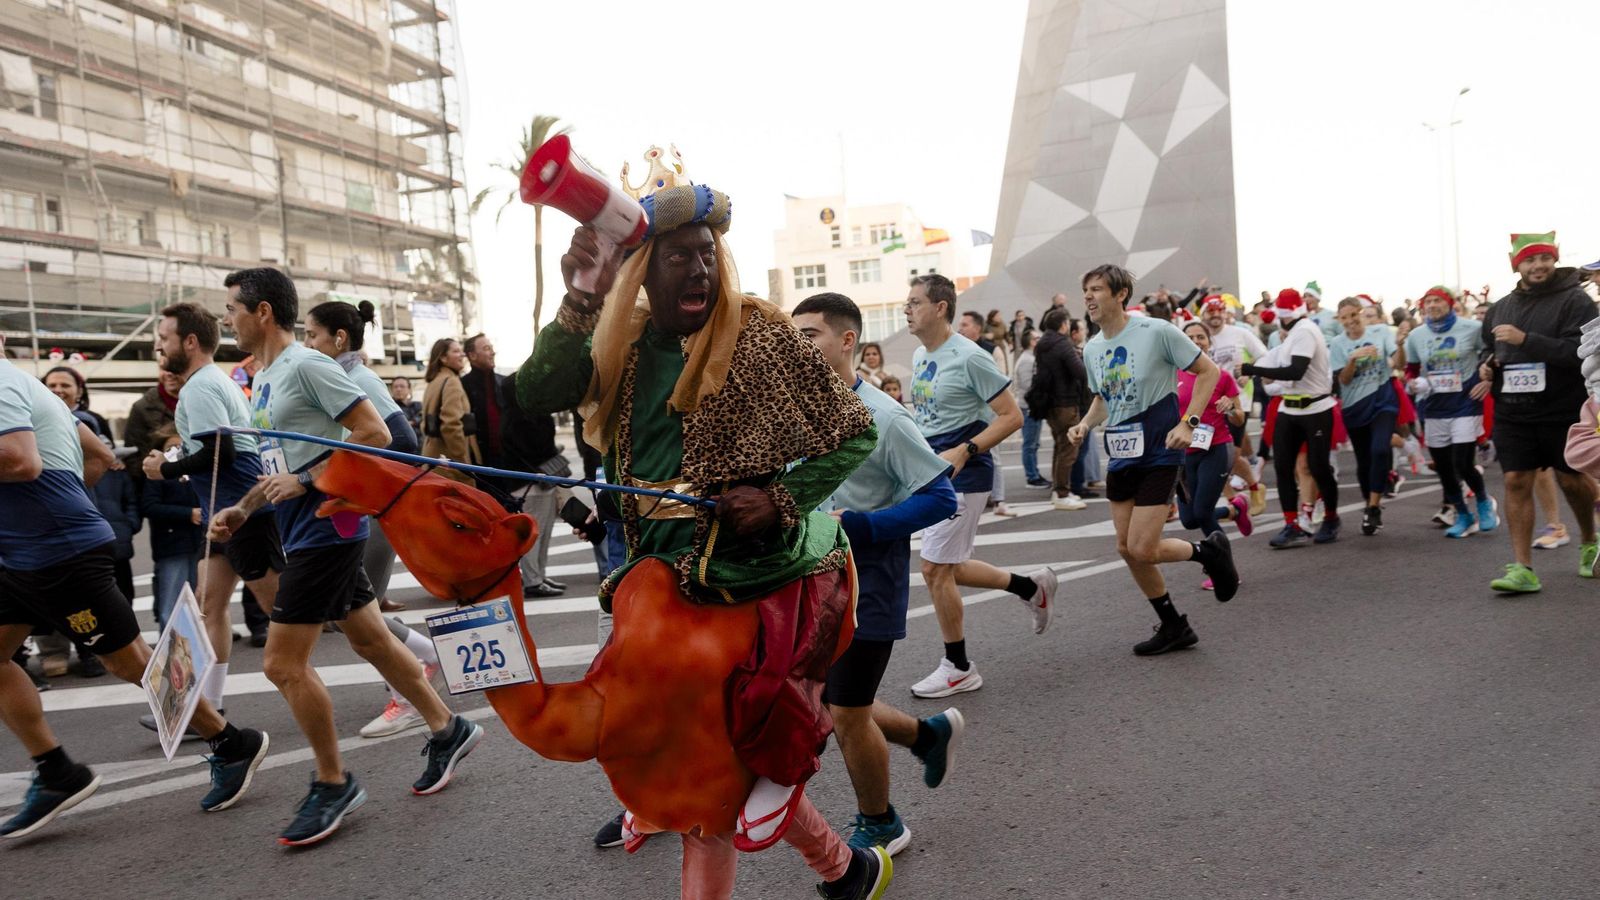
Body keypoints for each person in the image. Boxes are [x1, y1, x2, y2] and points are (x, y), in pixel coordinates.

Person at [519, 173, 891, 898]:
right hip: (650, 584)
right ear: (644, 271)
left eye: (706, 253)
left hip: (751, 580)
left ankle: (739, 811)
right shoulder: (618, 344)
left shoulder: (761, 334)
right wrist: (581, 294)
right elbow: (534, 396)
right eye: (678, 255)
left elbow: (854, 435)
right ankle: (845, 870)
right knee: (707, 767)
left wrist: (778, 497)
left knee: (710, 783)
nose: (698, 268)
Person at [207, 267, 482, 847]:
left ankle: (333, 783)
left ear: (261, 312)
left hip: (331, 526)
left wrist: (308, 484)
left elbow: (376, 432)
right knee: (370, 638)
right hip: (303, 526)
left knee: (282, 664)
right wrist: (245, 507)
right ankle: (447, 725)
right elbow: (283, 462)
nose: (225, 319)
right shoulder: (264, 378)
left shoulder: (307, 365)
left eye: (230, 307)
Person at [0, 340, 268, 839]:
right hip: (21, 557)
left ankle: (232, 742)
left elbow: (21, 462)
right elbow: (99, 452)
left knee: (130, 661)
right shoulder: (26, 386)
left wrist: (58, 513)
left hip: (60, 557)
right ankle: (56, 770)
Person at [794, 292, 963, 858]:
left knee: (843, 712)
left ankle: (882, 821)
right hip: (810, 583)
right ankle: (926, 734)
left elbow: (942, 498)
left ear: (847, 342)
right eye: (794, 335)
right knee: (837, 704)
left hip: (868, 587)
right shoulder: (798, 413)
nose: (799, 345)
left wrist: (862, 527)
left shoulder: (886, 417)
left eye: (810, 334)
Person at [1066, 264, 1237, 655]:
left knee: (1143, 547)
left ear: (1120, 294)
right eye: (1085, 291)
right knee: (1126, 548)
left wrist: (1189, 422)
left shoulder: (1156, 331)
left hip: (1160, 449)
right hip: (1122, 452)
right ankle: (1174, 625)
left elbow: (1207, 372)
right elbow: (1103, 398)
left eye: (1096, 289)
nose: (1089, 297)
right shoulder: (1093, 347)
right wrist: (1086, 425)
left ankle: (1208, 552)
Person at [302, 299, 446, 740]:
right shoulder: (342, 378)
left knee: (363, 613)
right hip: (367, 507)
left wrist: (364, 483)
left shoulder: (358, 378)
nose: (306, 344)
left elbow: (402, 438)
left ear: (338, 338)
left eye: (311, 336)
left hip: (377, 507)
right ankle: (425, 659)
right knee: (360, 612)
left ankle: (409, 697)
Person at [906, 273, 1054, 698]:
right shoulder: (920, 355)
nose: (907, 310)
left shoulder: (970, 357)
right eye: (907, 302)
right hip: (932, 470)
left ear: (940, 307)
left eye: (915, 302)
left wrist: (964, 450)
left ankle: (958, 666)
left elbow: (1011, 417)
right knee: (948, 564)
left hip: (965, 474)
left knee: (934, 568)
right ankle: (1031, 586)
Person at [141, 301, 284, 738]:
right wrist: (173, 458)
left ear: (189, 341)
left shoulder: (200, 387)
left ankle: (406, 661)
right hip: (227, 513)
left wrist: (163, 468)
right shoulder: (207, 384)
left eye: (164, 338)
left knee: (295, 611)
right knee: (208, 606)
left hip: (242, 511)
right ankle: (209, 709)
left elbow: (217, 452)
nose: (159, 347)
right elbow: (211, 447)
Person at [1479, 232, 1599, 592]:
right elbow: (1488, 349)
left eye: (1545, 258)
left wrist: (1526, 340)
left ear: (1555, 260)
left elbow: (1581, 353)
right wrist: (1486, 366)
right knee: (1516, 480)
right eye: (1530, 260)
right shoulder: (1501, 307)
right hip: (1513, 410)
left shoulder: (1576, 301)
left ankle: (1589, 542)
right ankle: (1522, 568)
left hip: (1562, 408)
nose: (1538, 266)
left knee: (1571, 479)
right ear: (1517, 265)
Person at [1242, 289, 1342, 548]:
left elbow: (1295, 371)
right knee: (1283, 468)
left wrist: (1251, 369)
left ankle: (1331, 518)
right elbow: (1271, 359)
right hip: (1290, 409)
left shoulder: (1306, 331)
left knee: (1318, 468)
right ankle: (1291, 524)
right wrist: (1243, 369)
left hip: (1315, 409)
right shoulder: (1292, 336)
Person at [1399, 286, 1497, 539]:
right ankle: (1463, 514)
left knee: (1462, 462)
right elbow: (1411, 368)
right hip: (1433, 406)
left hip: (1465, 401)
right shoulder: (1417, 335)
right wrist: (1413, 382)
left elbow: (1490, 356)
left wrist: (1487, 379)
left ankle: (1485, 502)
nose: (1432, 305)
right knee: (1443, 466)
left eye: (1437, 301)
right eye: (1428, 302)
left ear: (1450, 304)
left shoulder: (1472, 328)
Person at [1175, 320, 1252, 583]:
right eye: (1190, 337)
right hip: (1183, 454)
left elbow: (1240, 418)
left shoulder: (1221, 375)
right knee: (1188, 520)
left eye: (1201, 337)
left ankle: (1224, 572)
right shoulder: (1171, 374)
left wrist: (1230, 407)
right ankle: (1235, 510)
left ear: (1210, 342)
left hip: (1216, 448)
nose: (1196, 342)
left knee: (1203, 513)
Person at [1330, 297, 1402, 535]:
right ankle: (1369, 503)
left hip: (1383, 401)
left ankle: (1373, 507)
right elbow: (1344, 379)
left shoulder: (1381, 331)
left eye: (1354, 315)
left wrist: (1400, 345)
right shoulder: (1338, 344)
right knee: (1364, 461)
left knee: (1380, 449)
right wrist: (1353, 358)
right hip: (1355, 406)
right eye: (1345, 318)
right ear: (1339, 320)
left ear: (1362, 314)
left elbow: (1397, 363)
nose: (1351, 321)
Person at [1199, 295, 1269, 516]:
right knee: (1210, 456)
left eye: (1219, 310)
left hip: (1237, 401)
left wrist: (1249, 372)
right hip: (1206, 404)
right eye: (1210, 311)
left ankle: (1256, 489)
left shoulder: (1240, 333)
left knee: (1228, 457)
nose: (1215, 314)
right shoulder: (1199, 337)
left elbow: (1264, 356)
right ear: (1203, 314)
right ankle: (1232, 499)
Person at [141, 427, 204, 631]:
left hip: (198, 542)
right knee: (171, 604)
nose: (176, 451)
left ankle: (195, 651)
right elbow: (149, 506)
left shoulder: (196, 472)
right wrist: (188, 514)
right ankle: (170, 652)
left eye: (180, 446)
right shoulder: (156, 476)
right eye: (170, 447)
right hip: (172, 545)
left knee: (199, 600)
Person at [1031, 307, 1089, 510]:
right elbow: (1080, 371)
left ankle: (1059, 489)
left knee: (1059, 446)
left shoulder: (1042, 344)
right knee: (1069, 449)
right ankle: (1062, 493)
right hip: (1065, 402)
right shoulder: (1062, 344)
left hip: (1049, 403)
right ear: (1064, 325)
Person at [420, 337, 482, 480]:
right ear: (443, 357)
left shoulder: (434, 381)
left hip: (433, 456)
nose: (462, 355)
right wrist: (461, 457)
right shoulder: (451, 382)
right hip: (449, 462)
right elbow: (451, 423)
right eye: (456, 351)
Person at [460, 334, 508, 470]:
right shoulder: (462, 385)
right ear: (472, 355)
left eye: (492, 348)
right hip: (480, 461)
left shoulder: (504, 383)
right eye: (487, 348)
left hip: (509, 458)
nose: (493, 352)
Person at [1013, 331, 1047, 487]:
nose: (1040, 340)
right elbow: (1028, 387)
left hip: (1032, 407)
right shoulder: (1027, 360)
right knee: (1030, 444)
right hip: (1029, 408)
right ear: (1032, 342)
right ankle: (1032, 477)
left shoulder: (1031, 358)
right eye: (1037, 338)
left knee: (1034, 444)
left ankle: (1035, 473)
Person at [124, 369, 181, 463]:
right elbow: (133, 453)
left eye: (175, 367)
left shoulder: (204, 402)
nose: (169, 373)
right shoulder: (142, 407)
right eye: (164, 368)